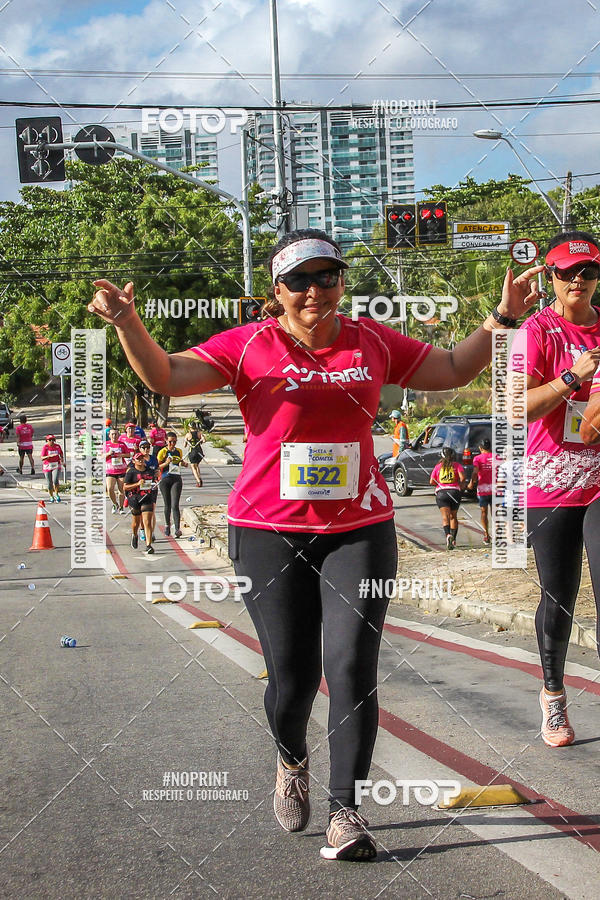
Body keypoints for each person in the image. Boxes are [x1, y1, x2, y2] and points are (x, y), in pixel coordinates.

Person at [89, 227, 541, 861]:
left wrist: (503, 319)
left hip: (358, 528)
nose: (313, 290)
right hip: (267, 529)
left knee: (352, 666)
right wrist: (129, 323)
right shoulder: (249, 344)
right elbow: (166, 375)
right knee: (294, 678)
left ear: (341, 284)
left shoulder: (371, 339)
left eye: (325, 277)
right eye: (298, 280)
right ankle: (290, 756)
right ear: (278, 291)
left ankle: (346, 812)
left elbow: (453, 367)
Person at [508, 230, 600, 749]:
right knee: (559, 596)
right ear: (552, 276)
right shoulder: (535, 332)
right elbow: (513, 407)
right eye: (568, 273)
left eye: (588, 272)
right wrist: (570, 378)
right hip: (551, 482)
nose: (579, 281)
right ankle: (553, 694)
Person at [430, 447, 466, 549]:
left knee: (445, 517)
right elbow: (463, 478)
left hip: (442, 494)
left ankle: (447, 535)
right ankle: (453, 539)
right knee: (453, 516)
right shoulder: (457, 465)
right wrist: (461, 486)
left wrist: (438, 484)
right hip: (455, 492)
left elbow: (431, 481)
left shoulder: (438, 467)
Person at [123, 451, 158, 554]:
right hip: (134, 498)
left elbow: (153, 482)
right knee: (136, 523)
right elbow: (125, 486)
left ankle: (148, 545)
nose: (141, 460)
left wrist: (154, 485)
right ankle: (135, 535)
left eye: (142, 458)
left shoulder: (149, 471)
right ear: (134, 461)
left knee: (147, 521)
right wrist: (137, 484)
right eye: (138, 459)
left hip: (147, 497)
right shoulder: (131, 472)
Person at [157, 431, 188, 537]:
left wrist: (183, 464)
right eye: (170, 442)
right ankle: (167, 525)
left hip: (176, 478)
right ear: (166, 441)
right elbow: (157, 467)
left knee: (175, 505)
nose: (172, 444)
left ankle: (177, 528)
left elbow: (179, 462)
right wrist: (166, 462)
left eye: (174, 442)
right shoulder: (162, 452)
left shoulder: (178, 451)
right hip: (165, 479)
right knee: (167, 504)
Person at [467, 438, 495, 544]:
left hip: (482, 489)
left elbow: (475, 472)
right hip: (495, 489)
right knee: (495, 513)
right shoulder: (496, 457)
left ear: (480, 448)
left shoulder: (477, 459)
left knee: (484, 512)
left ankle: (486, 535)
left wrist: (471, 482)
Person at [105, 426, 128, 514]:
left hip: (121, 470)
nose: (114, 436)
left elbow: (128, 454)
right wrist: (108, 454)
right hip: (110, 470)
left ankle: (121, 507)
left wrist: (121, 455)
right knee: (110, 488)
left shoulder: (122, 444)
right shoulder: (106, 444)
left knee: (121, 489)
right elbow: (101, 456)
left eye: (116, 434)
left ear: (119, 435)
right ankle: (115, 504)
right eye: (113, 434)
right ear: (109, 435)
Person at [41, 434, 64, 502]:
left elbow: (61, 454)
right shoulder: (45, 447)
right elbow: (42, 457)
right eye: (50, 440)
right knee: (49, 482)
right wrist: (49, 456)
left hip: (56, 465)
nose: (52, 441)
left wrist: (62, 461)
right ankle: (51, 496)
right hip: (47, 466)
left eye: (53, 440)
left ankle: (57, 494)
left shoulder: (57, 446)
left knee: (55, 480)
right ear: (47, 441)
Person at [184, 421, 205, 487]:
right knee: (197, 465)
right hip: (199, 451)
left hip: (192, 451)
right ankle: (200, 478)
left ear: (189, 427)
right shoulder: (199, 433)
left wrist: (187, 441)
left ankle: (198, 481)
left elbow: (184, 445)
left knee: (193, 466)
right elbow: (204, 440)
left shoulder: (188, 434)